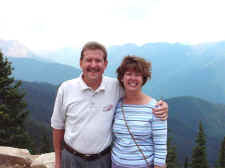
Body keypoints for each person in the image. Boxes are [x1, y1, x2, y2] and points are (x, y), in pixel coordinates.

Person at [51, 41, 168, 168]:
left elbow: (135, 93)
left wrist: (162, 106)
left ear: (105, 64)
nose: (93, 65)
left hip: (102, 160)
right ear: (81, 63)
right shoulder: (66, 88)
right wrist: (58, 161)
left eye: (98, 60)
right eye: (89, 60)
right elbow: (58, 126)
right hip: (71, 158)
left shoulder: (115, 87)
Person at [111, 56, 167, 168]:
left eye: (137, 75)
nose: (133, 78)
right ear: (122, 78)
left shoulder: (155, 108)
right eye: (128, 74)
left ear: (143, 79)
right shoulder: (117, 104)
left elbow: (160, 149)